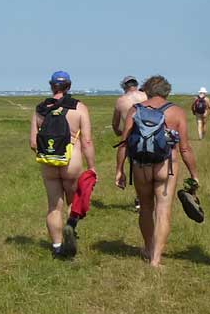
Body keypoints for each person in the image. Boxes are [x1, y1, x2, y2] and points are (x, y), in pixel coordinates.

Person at [115, 75, 197, 267]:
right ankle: (156, 259)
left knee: (145, 207)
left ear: (147, 90)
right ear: (167, 91)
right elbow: (185, 148)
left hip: (140, 165)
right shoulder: (176, 112)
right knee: (163, 210)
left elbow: (124, 143)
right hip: (166, 166)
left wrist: (119, 170)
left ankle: (148, 247)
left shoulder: (135, 110)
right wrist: (194, 174)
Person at [30, 71, 96, 259]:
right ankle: (70, 227)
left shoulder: (40, 109)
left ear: (51, 86)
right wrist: (92, 167)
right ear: (69, 86)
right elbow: (87, 142)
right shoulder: (79, 108)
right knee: (74, 202)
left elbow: (33, 143)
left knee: (53, 207)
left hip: (48, 161)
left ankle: (57, 247)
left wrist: (50, 154)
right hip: (71, 161)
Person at [110, 75, 148, 210]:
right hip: (151, 135)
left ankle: (140, 198)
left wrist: (119, 132)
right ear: (136, 85)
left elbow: (115, 123)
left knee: (136, 169)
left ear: (124, 86)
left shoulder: (121, 101)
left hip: (132, 138)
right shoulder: (146, 96)